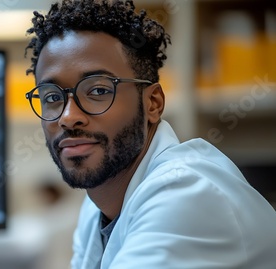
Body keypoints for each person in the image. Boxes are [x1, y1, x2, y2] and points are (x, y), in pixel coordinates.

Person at [23, 0, 276, 268]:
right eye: (52, 96)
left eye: (98, 91)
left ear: (153, 103)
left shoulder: (186, 192)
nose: (68, 117)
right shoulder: (97, 207)